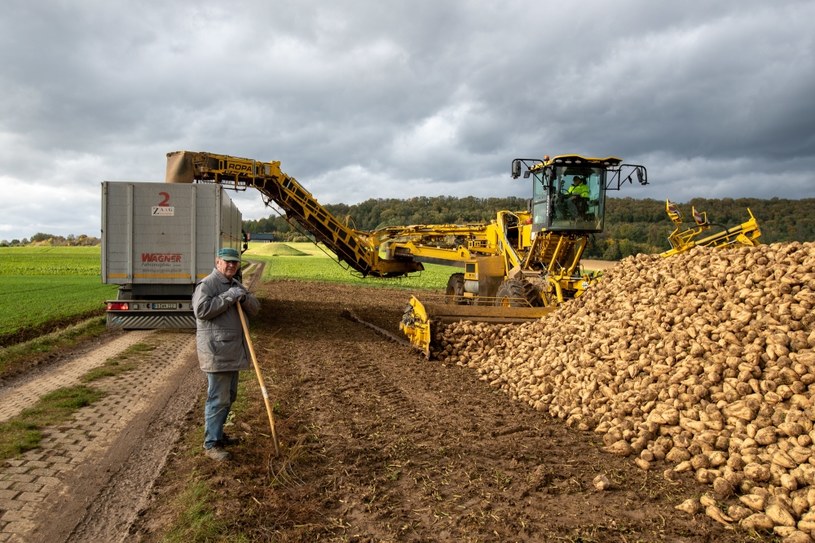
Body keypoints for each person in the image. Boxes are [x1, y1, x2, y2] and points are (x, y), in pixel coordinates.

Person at [192, 247, 261, 461]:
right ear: (217, 262)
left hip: (232, 351)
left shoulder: (236, 285)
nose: (231, 265)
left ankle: (219, 435)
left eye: (235, 262)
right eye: (227, 261)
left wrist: (243, 298)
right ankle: (211, 444)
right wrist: (229, 297)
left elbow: (256, 309)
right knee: (218, 398)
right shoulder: (208, 285)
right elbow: (202, 310)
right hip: (217, 352)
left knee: (229, 396)